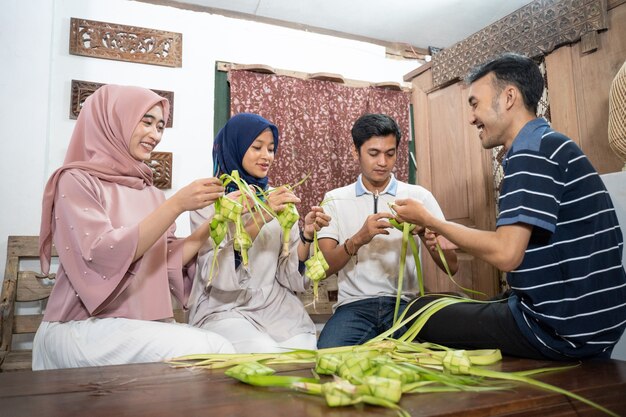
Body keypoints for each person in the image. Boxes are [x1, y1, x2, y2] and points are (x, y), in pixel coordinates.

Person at [393, 52, 626, 360]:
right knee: (451, 302)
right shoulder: (548, 143)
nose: (471, 117)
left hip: (559, 329)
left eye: (475, 103)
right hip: (591, 320)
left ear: (509, 97)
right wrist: (448, 234)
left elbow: (506, 253)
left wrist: (433, 221)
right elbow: (519, 243)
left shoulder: (530, 152)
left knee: (416, 312)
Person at [33, 84, 235, 370]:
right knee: (212, 348)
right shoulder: (76, 180)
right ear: (115, 119)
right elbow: (101, 254)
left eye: (161, 126)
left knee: (214, 350)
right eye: (147, 121)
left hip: (134, 326)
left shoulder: (151, 192)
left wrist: (220, 221)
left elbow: (166, 260)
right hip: (80, 328)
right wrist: (176, 204)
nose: (155, 135)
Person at [188, 113, 330, 353]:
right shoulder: (209, 200)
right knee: (262, 351)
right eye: (257, 147)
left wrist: (306, 235)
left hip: (273, 306)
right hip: (224, 308)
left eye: (271, 149)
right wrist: (263, 214)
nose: (267, 156)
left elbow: (290, 276)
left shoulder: (279, 197)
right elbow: (215, 275)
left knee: (304, 349)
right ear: (236, 146)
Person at [316, 113, 458, 348]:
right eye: (374, 153)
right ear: (356, 152)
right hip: (354, 307)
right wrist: (359, 239)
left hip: (404, 306)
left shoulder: (419, 197)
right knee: (328, 355)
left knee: (426, 358)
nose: (383, 162)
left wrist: (425, 233)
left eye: (390, 154)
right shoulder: (334, 199)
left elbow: (451, 266)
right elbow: (323, 268)